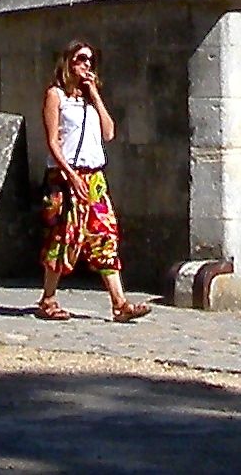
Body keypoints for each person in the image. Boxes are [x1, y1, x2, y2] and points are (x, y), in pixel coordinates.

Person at [35, 42, 148, 322]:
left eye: (90, 61)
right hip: (66, 176)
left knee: (105, 235)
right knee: (64, 238)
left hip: (94, 177)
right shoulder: (56, 95)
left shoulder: (88, 100)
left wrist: (95, 94)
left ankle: (119, 303)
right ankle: (48, 299)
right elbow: (52, 142)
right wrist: (70, 176)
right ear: (68, 63)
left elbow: (108, 133)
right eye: (81, 59)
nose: (86, 65)